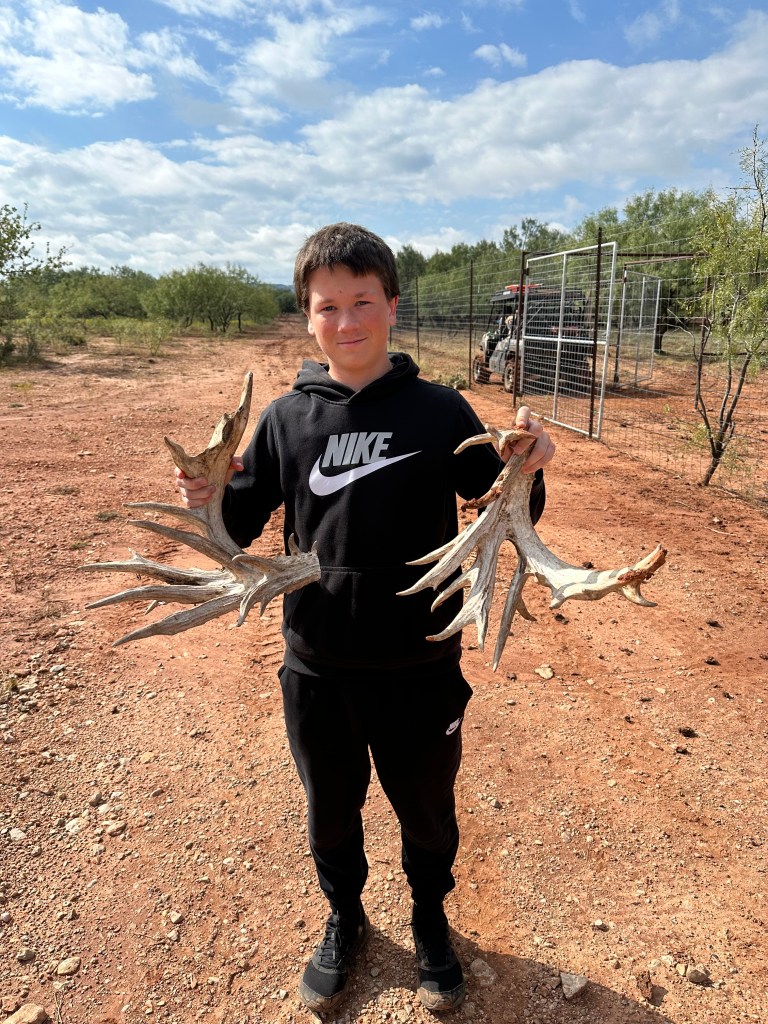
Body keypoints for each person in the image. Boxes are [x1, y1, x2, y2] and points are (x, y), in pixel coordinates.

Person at [176, 223, 555, 1014]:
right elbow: (239, 526)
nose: (346, 321)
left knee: (428, 809)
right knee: (330, 810)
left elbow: (496, 496)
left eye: (362, 302)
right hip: (318, 664)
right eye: (327, 307)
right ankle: (345, 916)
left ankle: (429, 917)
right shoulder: (286, 420)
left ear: (391, 306)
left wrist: (527, 466)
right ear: (307, 316)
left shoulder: (441, 411)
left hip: (423, 664)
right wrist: (207, 496)